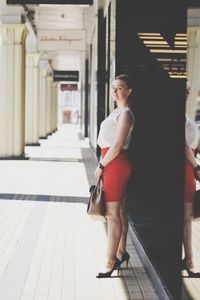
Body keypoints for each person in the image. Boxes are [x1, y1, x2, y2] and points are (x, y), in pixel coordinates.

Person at [95, 74, 135, 278]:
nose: (115, 90)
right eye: (113, 87)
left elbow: (118, 145)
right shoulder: (118, 111)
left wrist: (101, 165)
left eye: (120, 87)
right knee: (118, 212)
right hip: (113, 162)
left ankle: (111, 261)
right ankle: (120, 253)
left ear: (129, 91)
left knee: (111, 215)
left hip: (115, 163)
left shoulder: (126, 114)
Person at [182, 82, 200, 277]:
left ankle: (188, 259)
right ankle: (189, 260)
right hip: (185, 167)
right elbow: (184, 146)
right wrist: (196, 166)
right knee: (186, 216)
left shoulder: (185, 116)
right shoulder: (178, 116)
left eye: (188, 90)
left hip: (188, 167)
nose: (186, 93)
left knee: (187, 217)